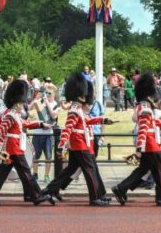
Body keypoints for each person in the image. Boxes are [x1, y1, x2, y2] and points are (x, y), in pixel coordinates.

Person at [0, 80, 55, 206]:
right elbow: (1, 128)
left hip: (12, 147)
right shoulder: (11, 115)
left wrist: (41, 124)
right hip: (13, 148)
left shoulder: (14, 114)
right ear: (16, 102)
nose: (23, 104)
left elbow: (25, 124)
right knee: (26, 172)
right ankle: (36, 196)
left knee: (2, 172)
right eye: (21, 102)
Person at [43, 73, 113, 206]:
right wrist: (61, 145)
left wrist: (103, 120)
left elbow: (88, 120)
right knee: (90, 170)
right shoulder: (74, 109)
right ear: (78, 94)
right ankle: (95, 198)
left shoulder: (78, 108)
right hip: (80, 145)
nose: (85, 96)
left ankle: (49, 191)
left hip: (82, 144)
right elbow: (67, 129)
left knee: (70, 170)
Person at [114, 73, 161, 207]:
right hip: (150, 145)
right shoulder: (145, 108)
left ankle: (121, 188)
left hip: (148, 144)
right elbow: (143, 130)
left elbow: (154, 122)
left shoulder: (143, 106)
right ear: (148, 94)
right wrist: (139, 149)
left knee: (142, 170)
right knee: (160, 170)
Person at [29, 88, 58, 182]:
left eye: (50, 93)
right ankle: (35, 174)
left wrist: (47, 103)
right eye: (46, 93)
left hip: (49, 134)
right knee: (35, 155)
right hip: (37, 132)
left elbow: (54, 115)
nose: (47, 95)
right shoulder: (38, 102)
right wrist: (36, 99)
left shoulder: (56, 105)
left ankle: (46, 175)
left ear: (54, 94)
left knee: (48, 156)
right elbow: (28, 109)